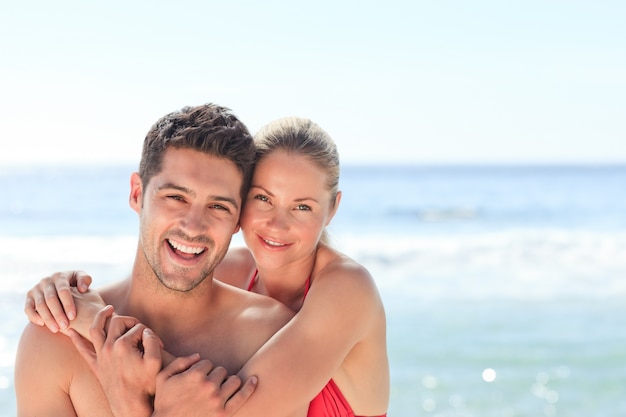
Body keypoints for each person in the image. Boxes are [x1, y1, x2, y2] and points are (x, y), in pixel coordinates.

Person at [25, 117, 390, 416]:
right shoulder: (231, 270)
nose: (277, 224)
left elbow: (218, 407)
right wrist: (63, 291)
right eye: (263, 198)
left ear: (333, 208)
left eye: (303, 206)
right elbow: (166, 274)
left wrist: (97, 330)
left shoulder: (344, 290)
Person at [14, 103, 296, 417]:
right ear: (137, 194)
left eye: (218, 207)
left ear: (238, 221)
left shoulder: (274, 338)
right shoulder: (54, 341)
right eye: (176, 197)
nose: (193, 226)